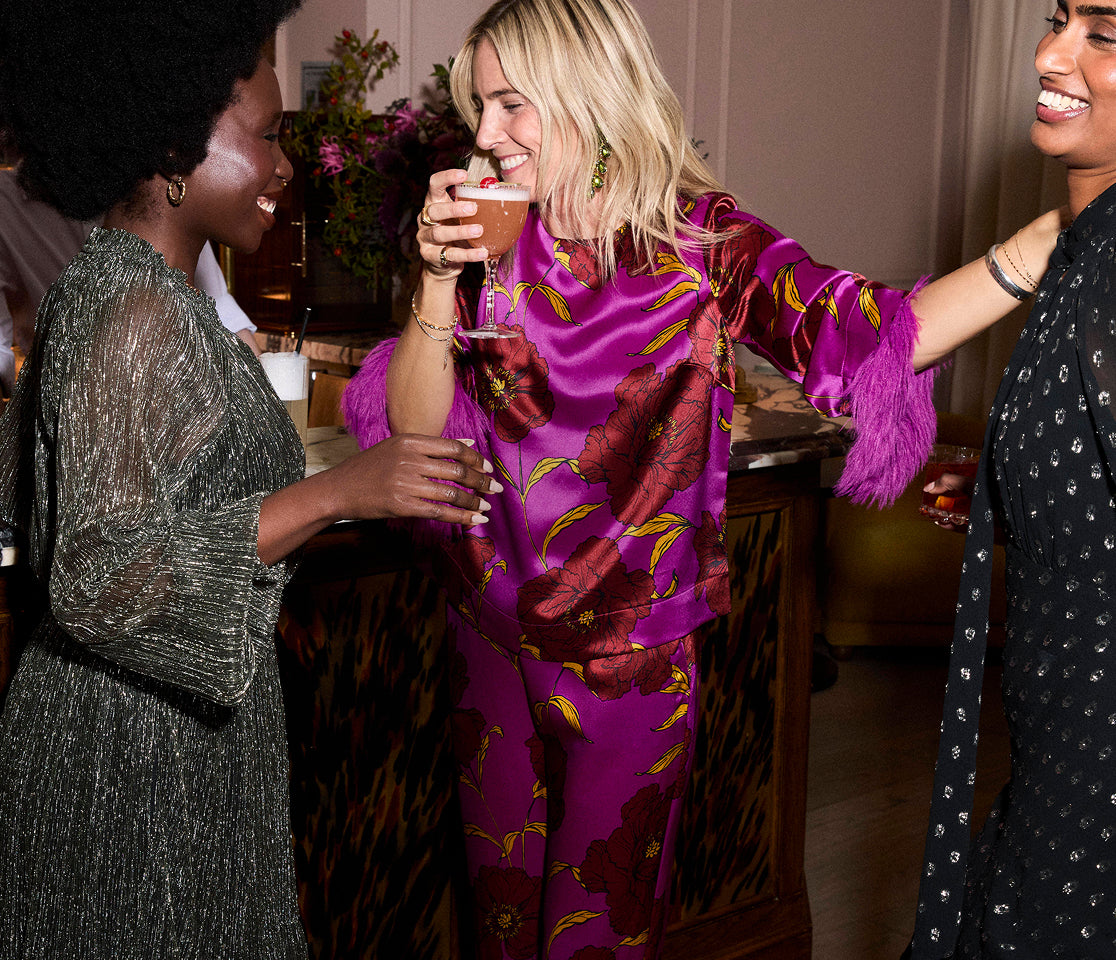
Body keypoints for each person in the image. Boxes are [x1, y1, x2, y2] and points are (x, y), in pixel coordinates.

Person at [339, 0, 1062, 956]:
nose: (486, 135)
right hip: (487, 634)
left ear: (588, 93)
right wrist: (436, 277)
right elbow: (415, 429)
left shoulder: (700, 241)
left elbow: (872, 333)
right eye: (481, 107)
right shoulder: (494, 230)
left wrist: (1046, 239)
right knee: (499, 930)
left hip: (630, 660)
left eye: (512, 105)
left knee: (597, 938)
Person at [0, 1, 498, 956]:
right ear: (172, 147)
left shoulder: (134, 289)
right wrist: (340, 492)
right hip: (131, 770)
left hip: (178, 744)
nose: (284, 166)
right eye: (266, 136)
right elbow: (98, 575)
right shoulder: (131, 310)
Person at [907, 2, 1116, 956]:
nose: (1049, 54)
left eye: (1103, 34)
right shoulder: (1081, 245)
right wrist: (1010, 484)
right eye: (1057, 19)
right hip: (1058, 737)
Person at [0, 166, 264, 397]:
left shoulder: (161, 186)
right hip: (65, 409)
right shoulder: (6, 201)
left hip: (189, 403)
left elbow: (224, 315)